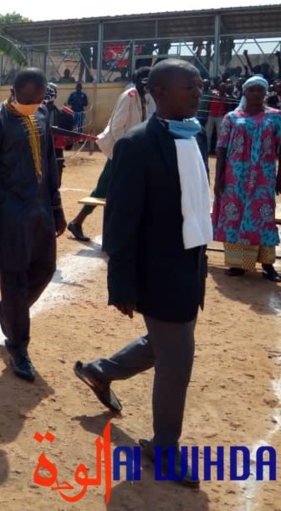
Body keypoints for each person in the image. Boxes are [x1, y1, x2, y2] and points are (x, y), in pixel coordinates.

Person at [74, 59, 209, 488]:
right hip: (157, 271)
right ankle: (164, 448)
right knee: (177, 356)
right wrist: (123, 285)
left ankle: (100, 370)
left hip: (190, 264)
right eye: (190, 86)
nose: (199, 91)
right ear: (161, 93)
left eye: (199, 84)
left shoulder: (195, 133)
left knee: (164, 342)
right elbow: (119, 225)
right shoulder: (135, 146)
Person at [0, 68, 67, 381]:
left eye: (39, 100)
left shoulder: (41, 116)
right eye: (29, 100)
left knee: (45, 270)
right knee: (14, 278)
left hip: (41, 209)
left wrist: (57, 208)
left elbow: (51, 164)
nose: (35, 104)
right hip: (10, 213)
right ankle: (18, 347)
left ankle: (8, 311)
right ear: (14, 92)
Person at [67, 67, 151, 242]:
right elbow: (116, 127)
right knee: (104, 188)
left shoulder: (148, 98)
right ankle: (77, 222)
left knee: (118, 188)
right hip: (119, 149)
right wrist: (126, 150)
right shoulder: (129, 96)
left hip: (134, 151)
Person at [212, 75, 281, 281]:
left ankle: (268, 265)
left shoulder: (276, 117)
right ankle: (238, 264)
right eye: (253, 90)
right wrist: (218, 178)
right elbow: (222, 148)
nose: (257, 94)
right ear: (245, 92)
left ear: (266, 93)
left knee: (263, 216)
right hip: (236, 176)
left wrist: (280, 176)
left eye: (261, 90)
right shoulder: (231, 118)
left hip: (264, 175)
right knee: (234, 216)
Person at [44, 83, 74, 180]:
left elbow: (68, 145)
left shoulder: (65, 116)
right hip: (37, 157)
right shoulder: (31, 115)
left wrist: (69, 141)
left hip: (56, 156)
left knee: (55, 184)